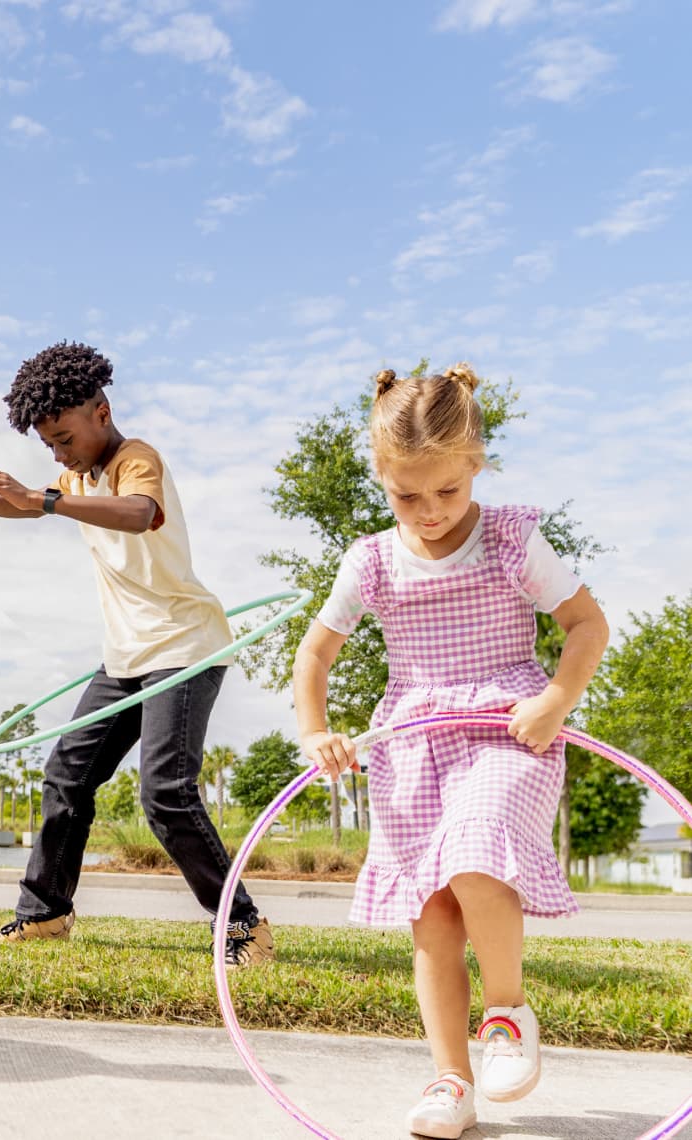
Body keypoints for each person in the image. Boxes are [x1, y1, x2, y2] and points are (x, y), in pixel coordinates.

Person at [292, 364, 608, 1139]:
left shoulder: (509, 538)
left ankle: (505, 1017)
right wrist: (313, 730)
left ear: (476, 466)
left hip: (507, 728)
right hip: (412, 744)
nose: (429, 512)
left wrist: (556, 699)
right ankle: (448, 1081)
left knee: (474, 851)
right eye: (407, 496)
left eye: (447, 492)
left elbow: (585, 625)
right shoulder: (369, 560)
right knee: (431, 916)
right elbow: (314, 656)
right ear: (380, 476)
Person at [0, 341, 273, 967]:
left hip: (184, 645)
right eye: (49, 447)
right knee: (67, 776)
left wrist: (45, 498)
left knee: (166, 792)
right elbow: (28, 505)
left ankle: (243, 924)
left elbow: (139, 515)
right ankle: (46, 915)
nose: (59, 455)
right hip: (125, 657)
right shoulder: (76, 476)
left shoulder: (137, 460)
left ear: (101, 412)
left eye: (64, 438)